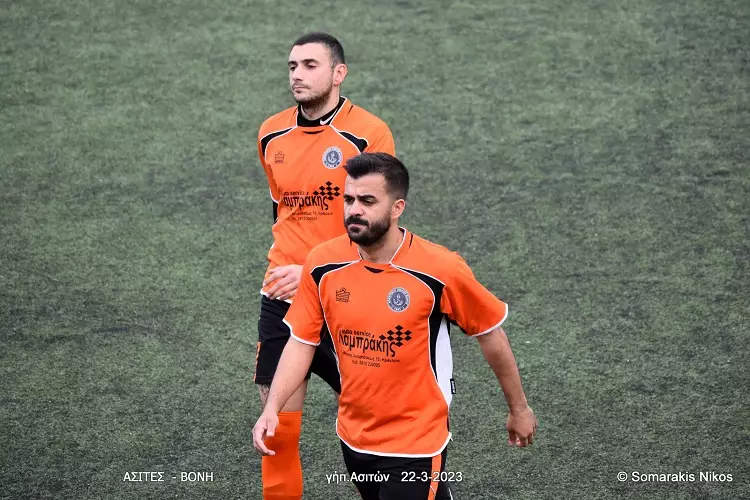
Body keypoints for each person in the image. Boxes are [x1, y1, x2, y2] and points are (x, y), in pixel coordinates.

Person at [253, 153, 538, 500]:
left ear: (397, 207)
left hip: (416, 441)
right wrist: (272, 408)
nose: (354, 210)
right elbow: (301, 342)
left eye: (368, 201)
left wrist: (519, 408)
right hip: (353, 438)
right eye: (348, 199)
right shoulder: (322, 263)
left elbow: (490, 333)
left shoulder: (440, 269)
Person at [254, 33, 395, 499]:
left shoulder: (368, 134)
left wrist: (314, 271)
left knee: (371, 433)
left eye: (310, 65)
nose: (297, 74)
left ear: (338, 74)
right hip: (282, 299)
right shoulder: (271, 133)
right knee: (276, 436)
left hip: (346, 298)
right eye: (292, 66)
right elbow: (282, 212)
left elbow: (375, 227)